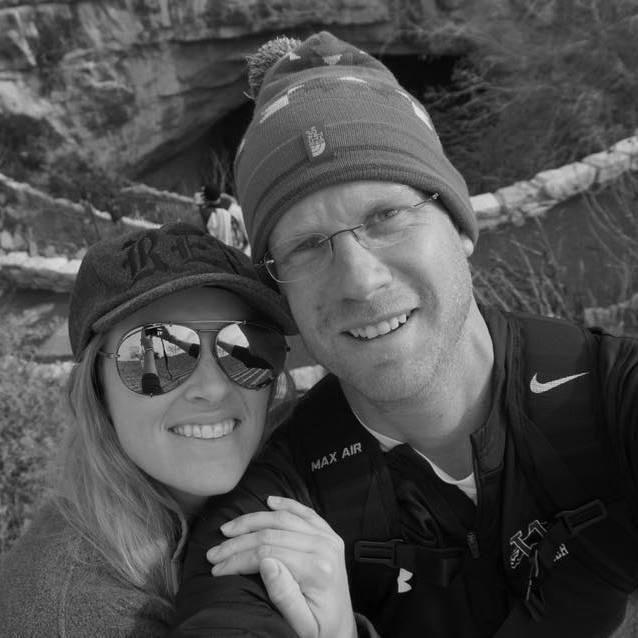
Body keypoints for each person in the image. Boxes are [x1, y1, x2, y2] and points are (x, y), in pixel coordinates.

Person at [171, 32, 638, 638]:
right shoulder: (280, 506)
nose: (360, 281)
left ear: (459, 223)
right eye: (308, 246)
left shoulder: (609, 395)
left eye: (385, 216)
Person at [0, 221, 301, 635]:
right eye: (157, 352)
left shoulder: (297, 475)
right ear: (96, 391)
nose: (213, 388)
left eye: (246, 346)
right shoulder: (81, 615)